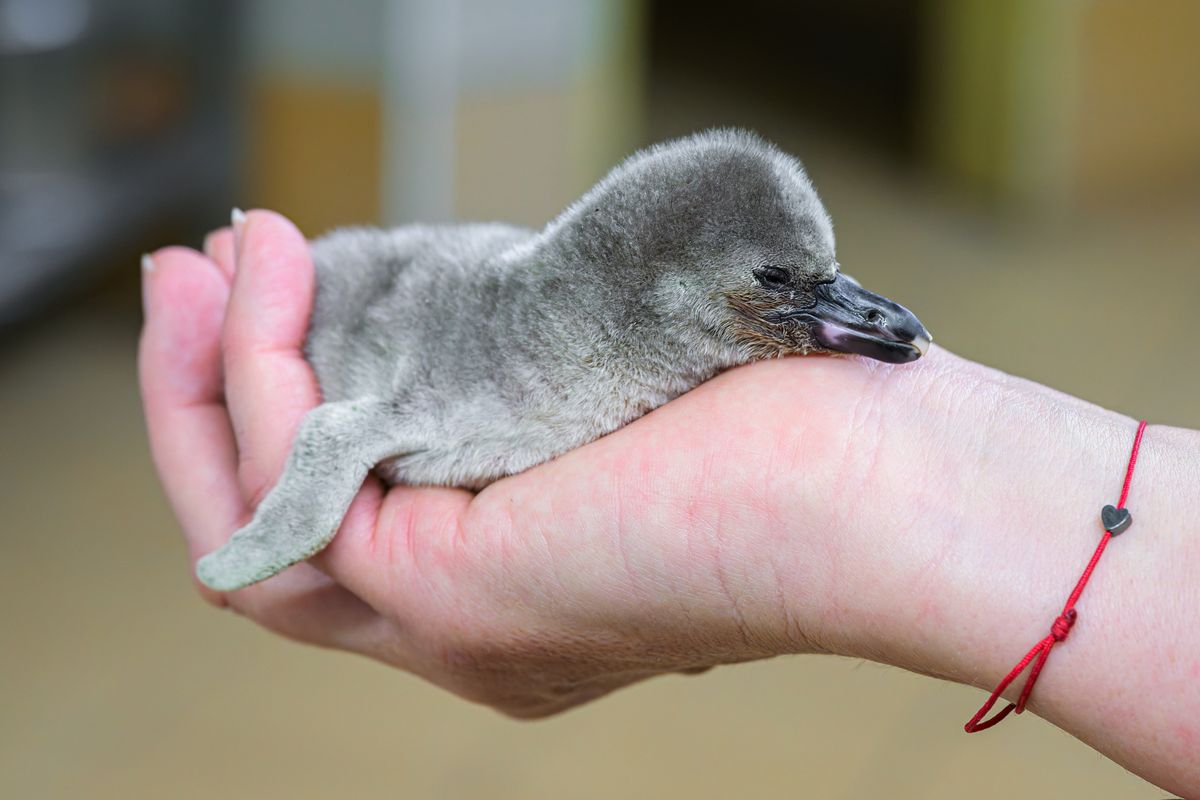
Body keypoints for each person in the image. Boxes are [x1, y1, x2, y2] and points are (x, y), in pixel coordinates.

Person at [139, 210, 1199, 795]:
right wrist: (271, 535)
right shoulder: (533, 358)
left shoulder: (638, 347)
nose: (852, 308)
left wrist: (873, 471)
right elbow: (336, 430)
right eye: (786, 282)